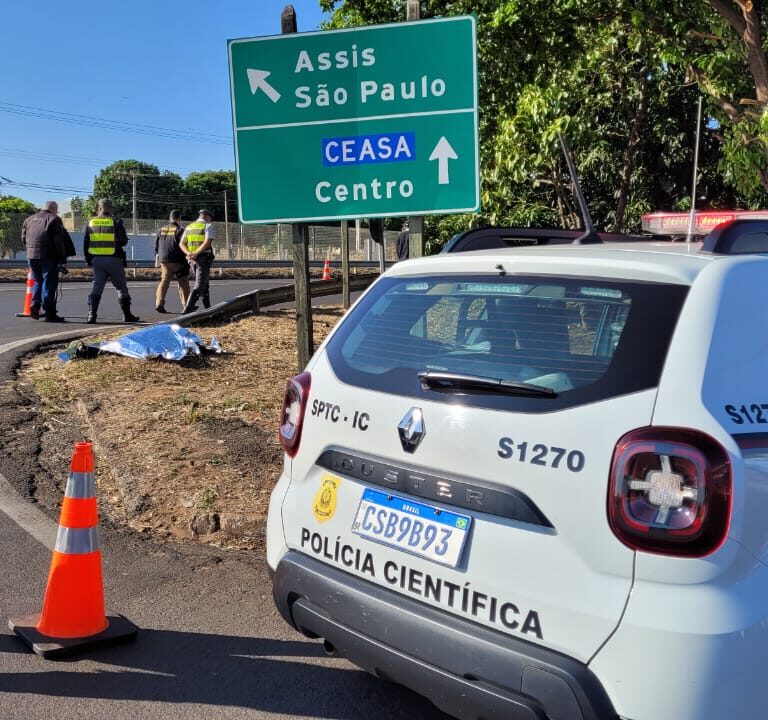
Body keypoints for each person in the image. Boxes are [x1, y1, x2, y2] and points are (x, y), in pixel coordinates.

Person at [83, 198, 139, 324]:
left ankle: (91, 315)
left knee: (97, 287)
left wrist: (88, 260)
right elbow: (124, 241)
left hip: (97, 260)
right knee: (121, 288)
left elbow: (86, 243)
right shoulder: (116, 221)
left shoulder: (90, 222)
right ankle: (127, 315)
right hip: (114, 259)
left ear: (99, 208)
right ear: (110, 208)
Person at [21, 200, 75, 322]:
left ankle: (35, 304)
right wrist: (62, 258)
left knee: (37, 281)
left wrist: (31, 250)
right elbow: (59, 242)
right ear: (54, 208)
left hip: (31, 255)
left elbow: (23, 238)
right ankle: (49, 313)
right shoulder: (54, 219)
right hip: (48, 256)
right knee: (49, 283)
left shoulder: (29, 219)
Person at [180, 209, 215, 314]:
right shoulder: (208, 226)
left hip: (192, 260)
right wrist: (196, 253)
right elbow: (207, 242)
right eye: (210, 218)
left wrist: (188, 254)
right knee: (199, 285)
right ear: (207, 217)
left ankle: (208, 309)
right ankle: (187, 311)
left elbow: (182, 243)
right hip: (202, 259)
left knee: (205, 284)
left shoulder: (189, 227)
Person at [154, 210, 190, 313]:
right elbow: (184, 245)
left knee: (164, 281)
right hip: (177, 260)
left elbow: (156, 247)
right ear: (179, 219)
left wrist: (158, 257)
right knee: (183, 282)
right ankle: (186, 305)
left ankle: (159, 303)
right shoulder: (180, 230)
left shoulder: (161, 230)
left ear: (170, 218)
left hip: (163, 260)